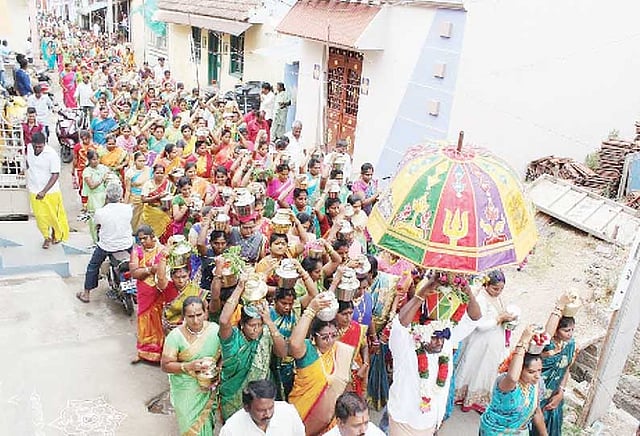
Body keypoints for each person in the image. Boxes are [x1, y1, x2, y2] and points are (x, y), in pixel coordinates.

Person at [387, 274, 481, 435]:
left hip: (433, 420)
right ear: (422, 332)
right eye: (434, 337)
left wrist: (467, 292)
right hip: (403, 420)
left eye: (441, 338)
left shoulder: (446, 338)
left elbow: (475, 318)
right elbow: (400, 324)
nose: (439, 342)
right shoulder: (406, 342)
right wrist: (424, 291)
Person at [218, 277, 288, 421]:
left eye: (259, 325)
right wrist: (239, 287)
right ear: (242, 324)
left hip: (260, 396)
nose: (256, 329)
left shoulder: (266, 334)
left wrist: (269, 322)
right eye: (252, 325)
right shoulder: (232, 339)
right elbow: (224, 320)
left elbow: (282, 353)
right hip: (233, 396)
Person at [288, 295, 354, 435]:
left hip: (329, 419)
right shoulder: (308, 350)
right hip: (304, 413)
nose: (330, 341)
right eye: (324, 337)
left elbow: (345, 384)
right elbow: (294, 344)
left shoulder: (339, 351)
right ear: (314, 336)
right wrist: (310, 310)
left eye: (333, 335)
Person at [454, 270, 514, 414]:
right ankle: (465, 396)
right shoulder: (481, 299)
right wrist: (499, 319)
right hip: (479, 343)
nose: (498, 292)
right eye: (495, 288)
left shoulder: (498, 298)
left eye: (501, 289)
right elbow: (479, 325)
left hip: (491, 344)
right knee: (474, 368)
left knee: (484, 371)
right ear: (486, 285)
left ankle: (478, 399)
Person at [161, 296, 221, 436]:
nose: (196, 320)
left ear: (205, 313)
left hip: (208, 386)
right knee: (189, 426)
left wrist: (217, 371)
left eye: (199, 315)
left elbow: (223, 354)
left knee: (207, 424)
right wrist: (189, 366)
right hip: (186, 389)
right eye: (191, 316)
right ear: (184, 316)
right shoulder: (175, 336)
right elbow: (165, 365)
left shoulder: (214, 330)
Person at [479, 326, 548, 435]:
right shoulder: (507, 383)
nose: (537, 376)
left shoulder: (535, 386)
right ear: (519, 370)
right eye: (531, 372)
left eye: (539, 370)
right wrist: (523, 342)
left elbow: (536, 412)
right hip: (495, 432)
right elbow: (513, 378)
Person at [76, 183, 133, 303]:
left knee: (93, 266)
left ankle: (86, 294)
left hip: (107, 246)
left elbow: (97, 224)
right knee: (137, 263)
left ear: (106, 196)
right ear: (121, 195)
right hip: (127, 244)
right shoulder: (128, 209)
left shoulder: (101, 212)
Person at [531, 294, 577, 436]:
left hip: (554, 398)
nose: (570, 334)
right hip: (536, 396)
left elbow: (566, 369)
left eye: (572, 330)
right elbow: (547, 334)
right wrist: (559, 306)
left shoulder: (570, 345)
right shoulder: (547, 346)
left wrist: (561, 392)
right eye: (566, 330)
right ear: (556, 330)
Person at [129, 225, 167, 364]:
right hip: (144, 291)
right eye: (140, 239)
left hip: (160, 291)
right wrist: (151, 270)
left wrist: (150, 270)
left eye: (145, 238)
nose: (143, 242)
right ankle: (143, 351)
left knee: (160, 320)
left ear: (153, 236)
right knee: (144, 320)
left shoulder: (163, 250)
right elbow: (134, 273)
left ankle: (162, 352)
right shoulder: (137, 251)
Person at [26, 132, 70, 248]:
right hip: (34, 189)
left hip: (50, 192)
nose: (37, 149)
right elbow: (29, 163)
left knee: (53, 216)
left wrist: (44, 191)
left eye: (40, 147)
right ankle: (46, 237)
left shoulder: (52, 154)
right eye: (35, 146)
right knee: (40, 216)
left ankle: (55, 233)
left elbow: (55, 174)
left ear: (44, 144)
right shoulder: (29, 148)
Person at [219, 379, 305, 436]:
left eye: (271, 408)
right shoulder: (231, 429)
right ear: (247, 407)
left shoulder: (289, 413)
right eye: (261, 410)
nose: (268, 414)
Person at [82, 149, 110, 242]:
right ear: (89, 160)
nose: (96, 161)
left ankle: (104, 240)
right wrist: (102, 179)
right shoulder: (87, 171)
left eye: (97, 159)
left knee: (105, 220)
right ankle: (95, 240)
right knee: (95, 220)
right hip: (93, 197)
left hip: (104, 196)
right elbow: (92, 186)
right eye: (93, 159)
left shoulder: (103, 168)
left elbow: (109, 175)